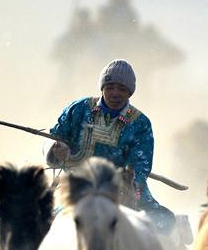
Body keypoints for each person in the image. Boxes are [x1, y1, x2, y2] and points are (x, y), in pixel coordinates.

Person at [46, 59, 176, 233]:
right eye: (110, 87)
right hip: (75, 187)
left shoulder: (140, 124)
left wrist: (128, 185)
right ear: (102, 88)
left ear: (130, 92)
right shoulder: (78, 109)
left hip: (122, 192)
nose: (115, 93)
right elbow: (54, 137)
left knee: (164, 223)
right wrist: (57, 150)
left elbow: (140, 166)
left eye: (122, 89)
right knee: (43, 224)